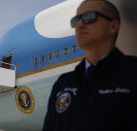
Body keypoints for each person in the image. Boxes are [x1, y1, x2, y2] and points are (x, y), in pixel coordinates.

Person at [43, 0, 137, 131]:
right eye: (76, 20)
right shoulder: (62, 84)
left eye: (89, 17)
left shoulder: (132, 74)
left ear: (113, 27)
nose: (79, 25)